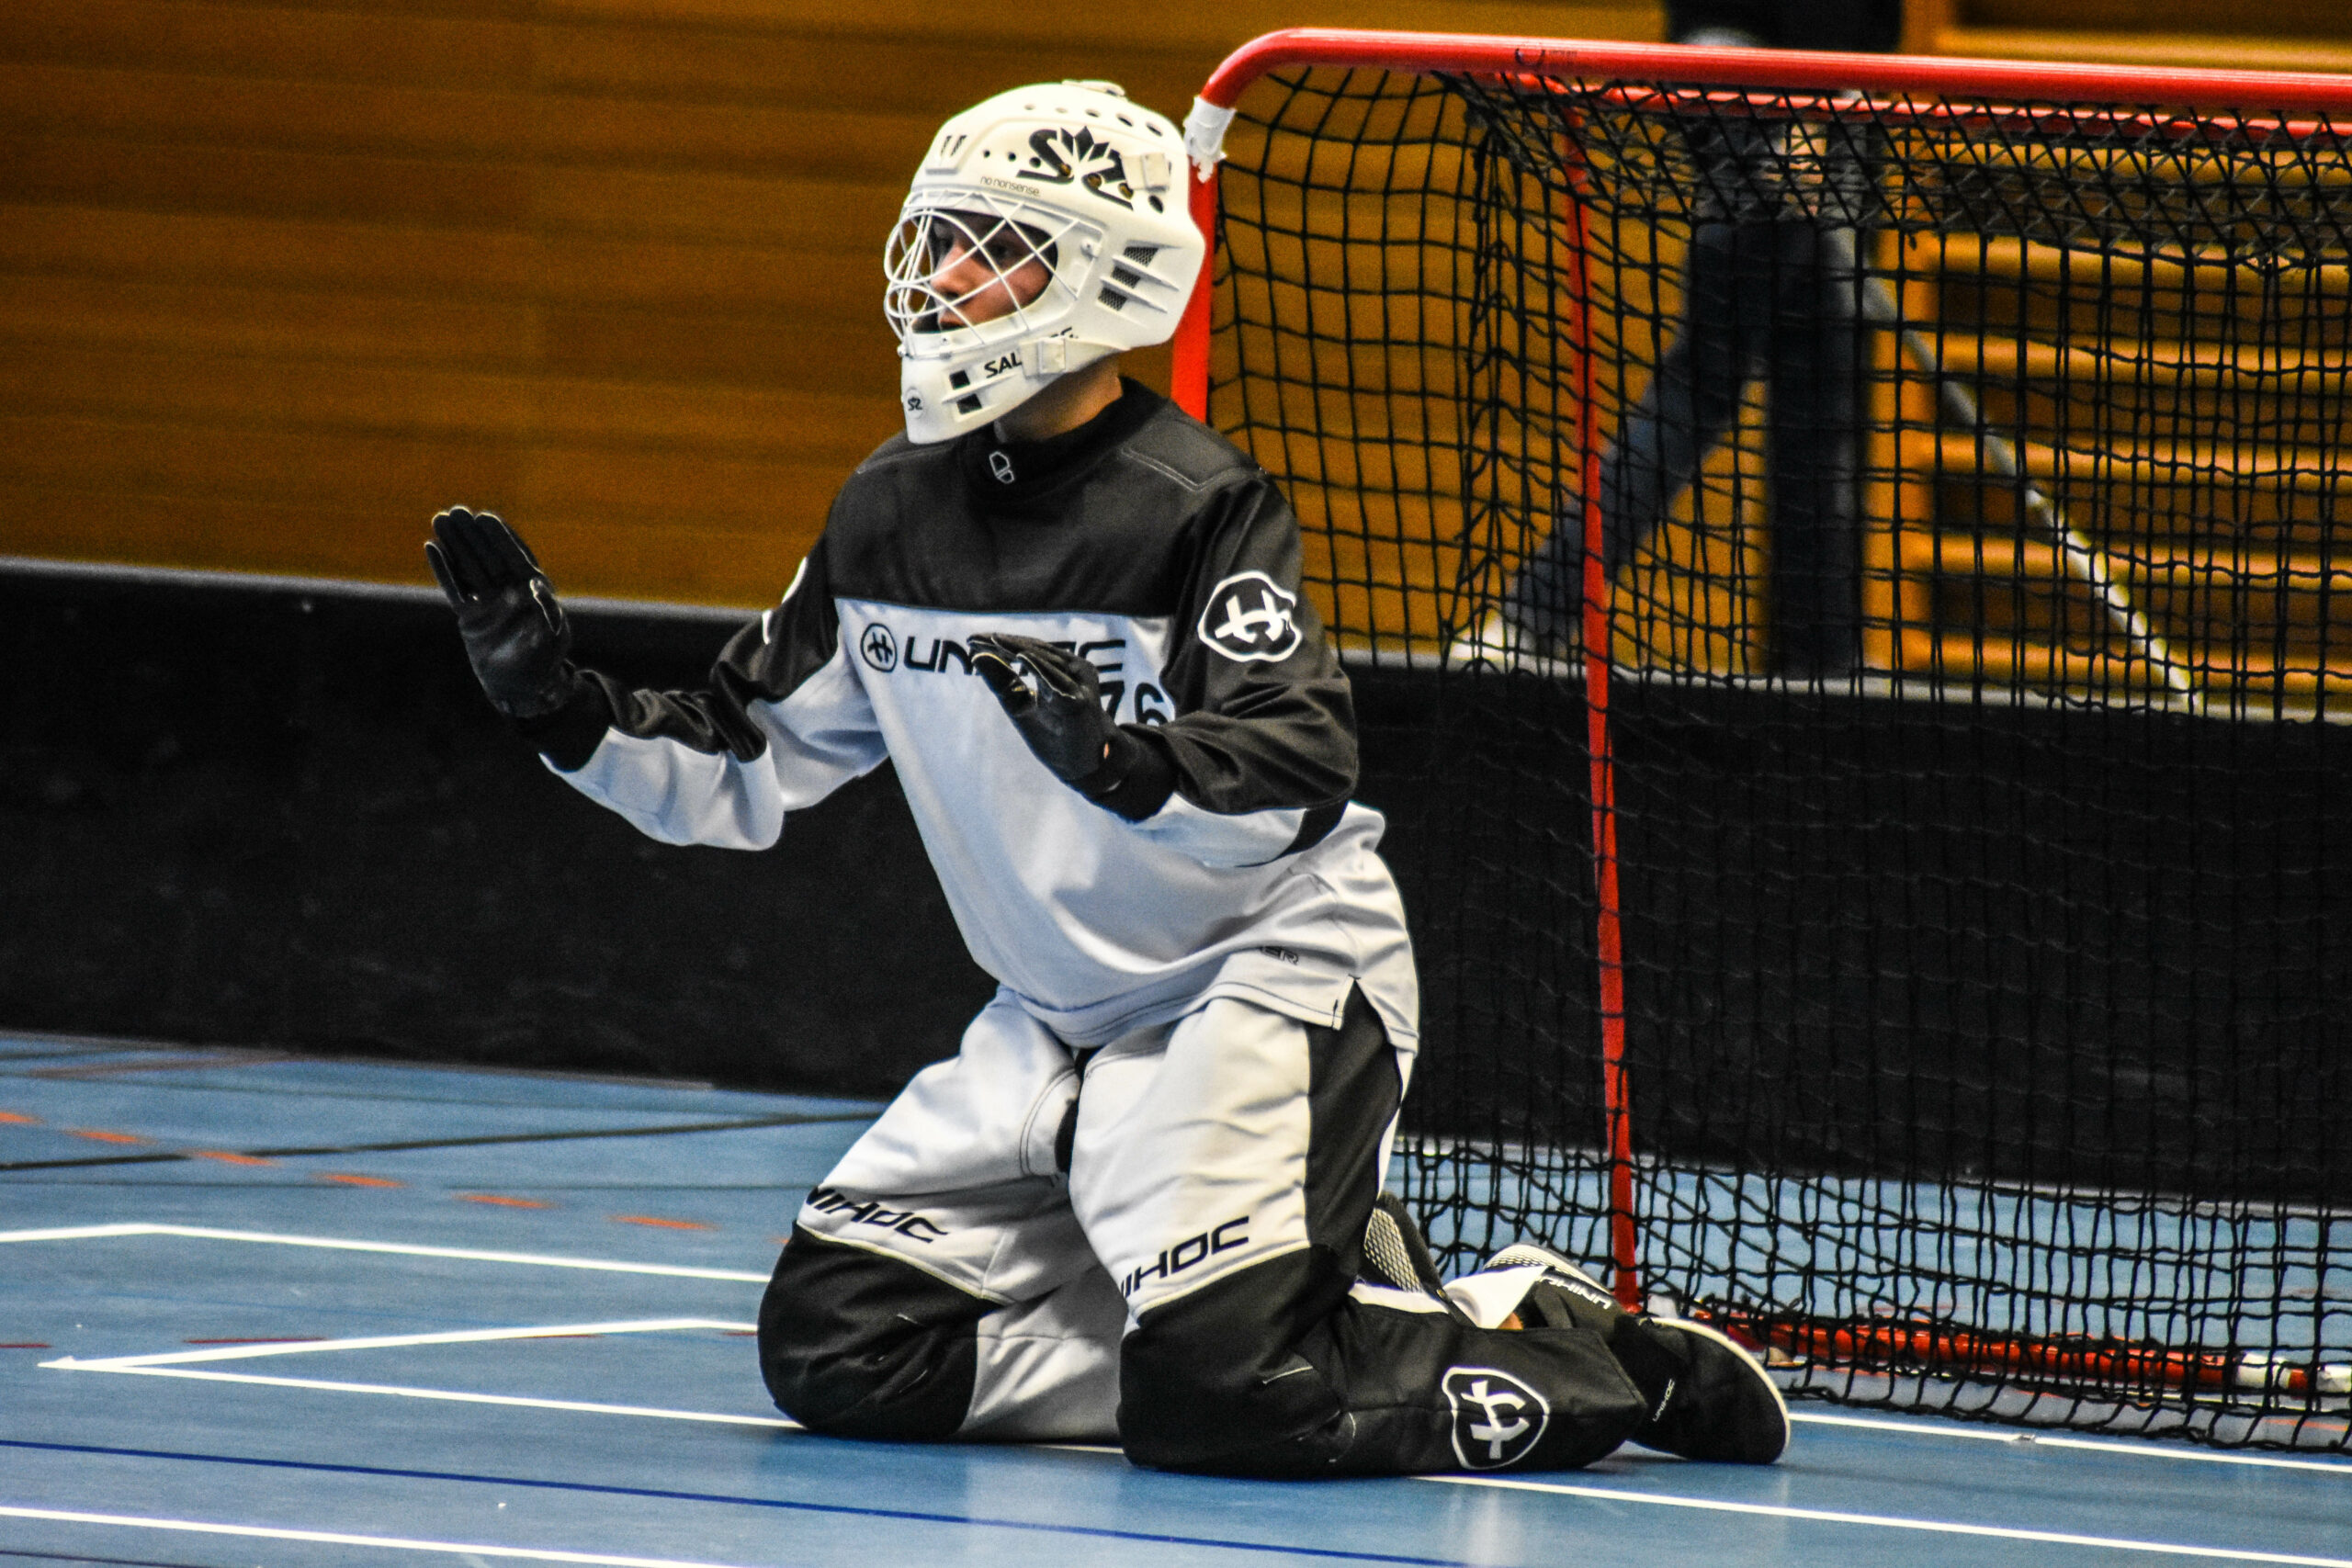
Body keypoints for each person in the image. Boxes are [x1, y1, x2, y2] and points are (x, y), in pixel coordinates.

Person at [424, 80, 1788, 1477]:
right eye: (934, 237)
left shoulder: (1200, 507)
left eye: (987, 243)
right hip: (1057, 1019)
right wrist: (562, 705)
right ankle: (1267, 1324)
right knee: (840, 1348)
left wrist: (1129, 762)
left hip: (1257, 981)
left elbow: (1298, 766)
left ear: (1097, 272)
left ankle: (1556, 1343)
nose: (941, 276)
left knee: (1243, 1402)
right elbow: (746, 752)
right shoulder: (885, 510)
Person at [1475, 0, 1900, 680]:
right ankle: (1531, 615)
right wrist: (1813, 121)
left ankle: (1824, 661)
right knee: (1700, 388)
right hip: (1780, 104)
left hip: (1783, 106)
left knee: (1812, 410)